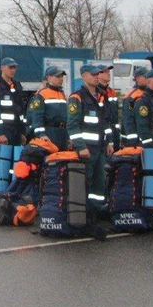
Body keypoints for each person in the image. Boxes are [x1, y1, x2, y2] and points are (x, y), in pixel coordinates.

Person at [67, 64, 110, 209]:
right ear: (84, 76)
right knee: (86, 181)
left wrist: (109, 142)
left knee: (100, 182)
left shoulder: (102, 96)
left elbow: (105, 122)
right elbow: (73, 125)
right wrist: (81, 146)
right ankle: (83, 212)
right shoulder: (77, 97)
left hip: (101, 147)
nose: (97, 76)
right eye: (93, 74)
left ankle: (96, 211)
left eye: (98, 74)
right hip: (87, 149)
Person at [0, 57, 27, 145]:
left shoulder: (17, 85)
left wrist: (23, 132)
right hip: (4, 130)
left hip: (17, 130)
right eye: (10, 67)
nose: (13, 70)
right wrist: (0, 133)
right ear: (2, 68)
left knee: (17, 158)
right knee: (4, 158)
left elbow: (21, 109)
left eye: (14, 67)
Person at [28, 66, 70, 150]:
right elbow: (37, 117)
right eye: (58, 76)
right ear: (49, 77)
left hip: (63, 134)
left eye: (62, 76)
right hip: (50, 133)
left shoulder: (62, 94)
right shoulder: (42, 94)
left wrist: (69, 136)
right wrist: (41, 134)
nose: (61, 79)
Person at [120, 67, 149, 147]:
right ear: (138, 79)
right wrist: (134, 142)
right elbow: (128, 120)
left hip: (144, 140)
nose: (148, 79)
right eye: (146, 77)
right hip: (133, 142)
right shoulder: (132, 96)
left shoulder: (147, 93)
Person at [97, 65, 121, 151]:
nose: (108, 73)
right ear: (98, 75)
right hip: (103, 131)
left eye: (108, 71)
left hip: (115, 131)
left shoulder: (111, 91)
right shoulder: (96, 92)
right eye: (105, 72)